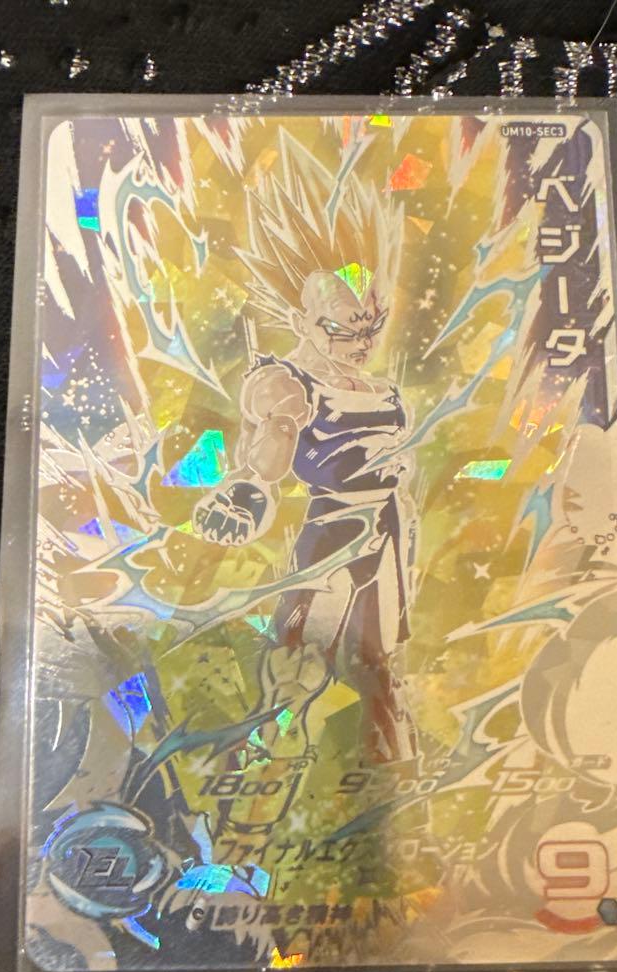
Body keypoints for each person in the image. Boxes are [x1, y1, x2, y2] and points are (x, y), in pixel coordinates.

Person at [193, 137, 418, 765]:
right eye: (342, 330)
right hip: (333, 536)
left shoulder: (378, 386)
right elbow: (276, 436)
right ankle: (260, 760)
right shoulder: (286, 382)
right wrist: (247, 489)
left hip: (389, 533)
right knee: (296, 660)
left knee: (378, 663)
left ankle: (393, 764)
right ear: (301, 323)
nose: (361, 343)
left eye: (371, 327)